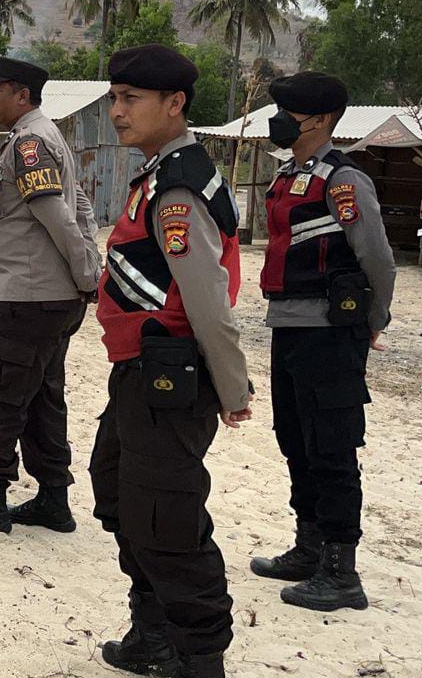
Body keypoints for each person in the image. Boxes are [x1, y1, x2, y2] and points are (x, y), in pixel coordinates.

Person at [89, 45, 252, 678]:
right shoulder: (159, 174)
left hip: (170, 375)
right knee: (119, 493)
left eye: (130, 99)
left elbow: (210, 299)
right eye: (114, 97)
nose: (117, 110)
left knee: (167, 516)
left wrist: (232, 387)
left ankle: (198, 653)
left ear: (174, 104)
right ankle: (150, 629)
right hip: (138, 372)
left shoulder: (178, 187)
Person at [250, 72, 395, 613]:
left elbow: (377, 258)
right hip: (288, 324)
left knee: (332, 446)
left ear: (321, 119)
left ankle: (341, 570)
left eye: (289, 108)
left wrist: (373, 321)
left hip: (331, 332)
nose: (280, 117)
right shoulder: (290, 174)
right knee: (294, 437)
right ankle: (308, 547)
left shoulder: (344, 180)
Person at [0, 57, 99, 535]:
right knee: (44, 398)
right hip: (51, 297)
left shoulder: (30, 143)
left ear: (21, 95)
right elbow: (80, 203)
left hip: (30, 296)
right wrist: (85, 270)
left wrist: (87, 272)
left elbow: (56, 213)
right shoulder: (43, 136)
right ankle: (53, 500)